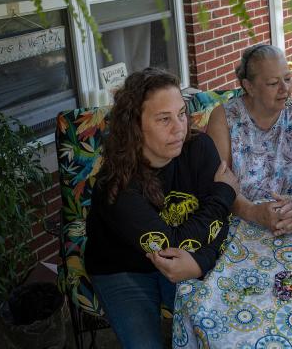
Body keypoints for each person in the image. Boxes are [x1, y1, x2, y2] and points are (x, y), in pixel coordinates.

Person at [85, 68, 240, 349]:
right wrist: (224, 194)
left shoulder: (199, 147)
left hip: (188, 256)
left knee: (224, 328)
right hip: (123, 269)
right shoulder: (116, 185)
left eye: (181, 113)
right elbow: (172, 243)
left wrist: (199, 262)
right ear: (135, 125)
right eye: (164, 119)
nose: (179, 127)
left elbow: (220, 222)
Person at [207, 44, 292, 236]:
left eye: (288, 79)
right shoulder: (224, 118)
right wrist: (253, 212)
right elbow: (218, 184)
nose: (285, 89)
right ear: (249, 86)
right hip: (244, 225)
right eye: (273, 83)